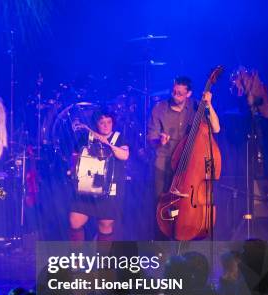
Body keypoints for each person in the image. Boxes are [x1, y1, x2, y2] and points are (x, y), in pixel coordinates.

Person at [147, 76, 220, 204]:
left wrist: (209, 104)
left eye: (180, 93)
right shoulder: (159, 109)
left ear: (189, 94)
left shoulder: (197, 107)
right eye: (174, 92)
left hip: (190, 166)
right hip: (164, 166)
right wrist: (160, 141)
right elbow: (151, 140)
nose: (175, 96)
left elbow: (216, 128)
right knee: (162, 207)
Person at [69, 108, 130, 241]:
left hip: (108, 190)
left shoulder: (119, 137)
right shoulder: (87, 137)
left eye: (109, 122)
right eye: (102, 122)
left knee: (105, 225)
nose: (106, 125)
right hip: (86, 188)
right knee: (75, 221)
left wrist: (107, 143)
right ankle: (77, 260)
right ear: (96, 123)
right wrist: (73, 169)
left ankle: (102, 260)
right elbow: (75, 154)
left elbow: (124, 155)